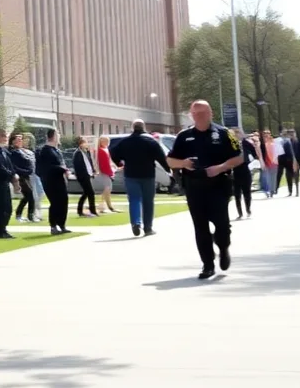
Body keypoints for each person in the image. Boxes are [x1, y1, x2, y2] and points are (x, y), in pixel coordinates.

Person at [166, 100, 243, 280]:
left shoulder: (225, 133)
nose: (199, 117)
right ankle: (208, 264)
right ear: (191, 116)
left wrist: (221, 167)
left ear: (211, 113)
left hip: (219, 185)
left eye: (203, 113)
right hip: (194, 187)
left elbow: (239, 157)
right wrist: (183, 163)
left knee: (222, 225)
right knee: (200, 227)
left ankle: (223, 248)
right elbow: (170, 160)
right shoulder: (184, 136)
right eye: (196, 114)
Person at [109, 120, 168, 236]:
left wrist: (119, 163)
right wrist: (168, 169)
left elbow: (113, 151)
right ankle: (148, 227)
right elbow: (161, 157)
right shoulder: (151, 141)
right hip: (148, 174)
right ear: (143, 128)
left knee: (134, 200)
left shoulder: (125, 142)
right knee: (148, 201)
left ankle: (136, 222)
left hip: (131, 174)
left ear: (133, 128)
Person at [36, 129, 70, 235]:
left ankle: (62, 224)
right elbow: (47, 167)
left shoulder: (57, 150)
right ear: (53, 136)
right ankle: (53, 226)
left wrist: (65, 170)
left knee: (63, 201)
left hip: (60, 179)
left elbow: (61, 163)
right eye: (58, 134)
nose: (59, 136)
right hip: (50, 181)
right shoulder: (45, 151)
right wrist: (63, 169)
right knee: (55, 202)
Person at [11, 133, 37, 223]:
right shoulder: (14, 152)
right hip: (21, 177)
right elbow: (14, 166)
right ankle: (30, 216)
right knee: (30, 195)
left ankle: (19, 214)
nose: (20, 141)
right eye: (18, 139)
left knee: (26, 197)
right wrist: (26, 171)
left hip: (27, 176)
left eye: (21, 139)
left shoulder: (23, 151)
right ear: (13, 142)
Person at [232, 128, 255, 220]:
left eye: (238, 133)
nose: (237, 135)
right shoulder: (231, 144)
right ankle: (240, 212)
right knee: (237, 194)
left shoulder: (246, 143)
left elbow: (254, 152)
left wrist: (250, 159)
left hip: (245, 168)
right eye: (235, 134)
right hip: (235, 170)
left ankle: (248, 209)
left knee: (247, 192)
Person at [72, 138, 98, 218]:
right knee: (91, 193)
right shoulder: (77, 153)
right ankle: (92, 211)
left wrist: (93, 171)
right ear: (80, 144)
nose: (86, 144)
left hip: (88, 174)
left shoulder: (87, 152)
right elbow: (77, 166)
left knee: (86, 193)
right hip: (82, 176)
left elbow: (89, 162)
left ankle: (79, 210)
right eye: (84, 143)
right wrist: (80, 175)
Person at [94, 136, 119, 214]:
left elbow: (109, 161)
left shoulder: (105, 150)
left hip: (106, 172)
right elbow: (103, 163)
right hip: (104, 172)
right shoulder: (101, 150)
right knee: (108, 188)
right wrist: (110, 172)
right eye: (106, 141)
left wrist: (114, 167)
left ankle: (103, 206)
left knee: (108, 189)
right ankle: (106, 206)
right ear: (102, 142)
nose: (108, 143)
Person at [260, 131, 278, 197]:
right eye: (265, 134)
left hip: (274, 163)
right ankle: (268, 190)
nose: (267, 135)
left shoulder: (273, 142)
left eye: (268, 134)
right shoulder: (262, 144)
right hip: (266, 163)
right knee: (267, 178)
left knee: (273, 178)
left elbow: (277, 152)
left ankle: (272, 191)